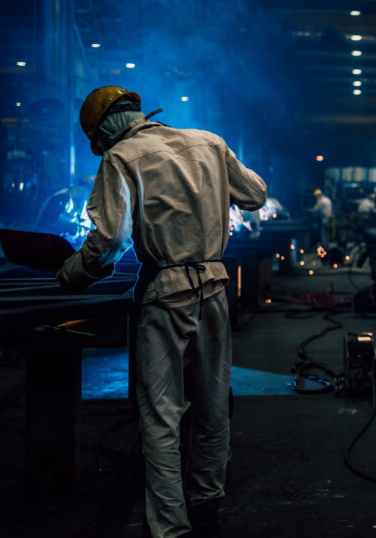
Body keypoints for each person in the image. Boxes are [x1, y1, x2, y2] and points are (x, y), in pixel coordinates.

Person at [55, 86, 266, 538]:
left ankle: (171, 527)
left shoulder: (120, 157)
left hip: (165, 293)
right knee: (212, 406)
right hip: (214, 287)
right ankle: (206, 505)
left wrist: (71, 273)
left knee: (161, 415)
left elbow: (109, 242)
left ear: (107, 130)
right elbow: (256, 195)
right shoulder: (209, 141)